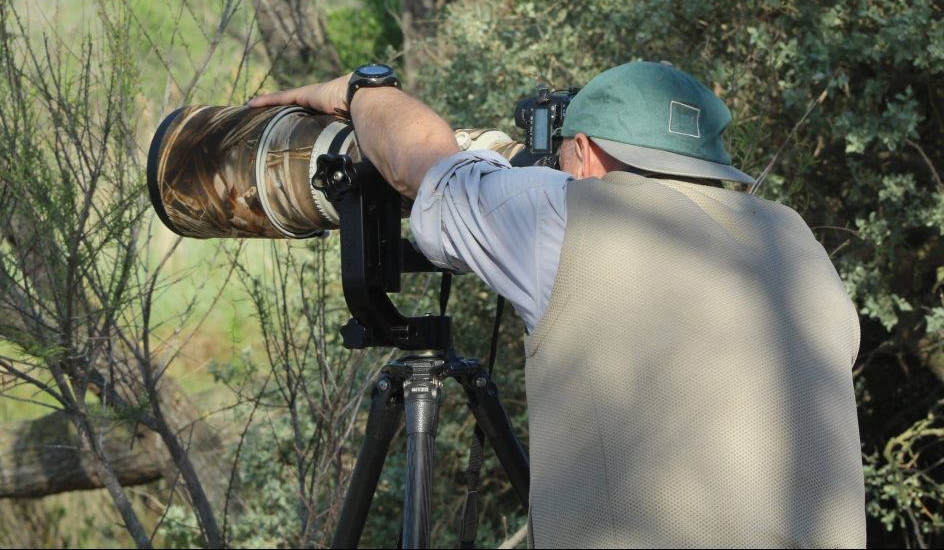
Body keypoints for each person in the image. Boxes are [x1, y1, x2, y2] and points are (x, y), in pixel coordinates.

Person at [249, 61, 866, 548]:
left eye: (565, 152)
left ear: (590, 153)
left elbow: (418, 164)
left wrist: (361, 90)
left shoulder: (567, 215)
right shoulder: (796, 242)